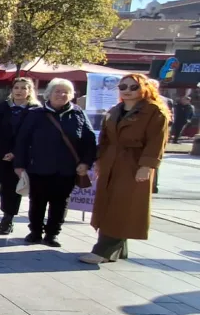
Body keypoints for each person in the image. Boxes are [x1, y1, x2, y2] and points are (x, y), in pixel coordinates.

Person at [81, 74, 170, 264]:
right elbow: (104, 138)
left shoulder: (154, 111)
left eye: (133, 87)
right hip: (111, 161)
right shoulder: (115, 110)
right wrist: (99, 160)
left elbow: (157, 142)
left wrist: (147, 166)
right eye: (123, 87)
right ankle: (116, 250)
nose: (127, 91)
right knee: (107, 203)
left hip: (133, 163)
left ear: (144, 88)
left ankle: (103, 250)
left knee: (123, 205)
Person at [13, 78, 96, 248]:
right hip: (39, 167)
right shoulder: (36, 114)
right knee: (37, 201)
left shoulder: (78, 114)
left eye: (66, 92)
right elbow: (22, 140)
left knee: (60, 203)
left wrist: (86, 163)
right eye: (57, 91)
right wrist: (19, 165)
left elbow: (89, 141)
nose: (61, 95)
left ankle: (52, 234)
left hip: (66, 169)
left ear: (72, 96)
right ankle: (35, 231)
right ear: (49, 94)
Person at [0, 78, 40, 234]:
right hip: (2, 155)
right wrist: (2, 151)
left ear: (30, 91)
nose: (19, 91)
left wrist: (15, 153)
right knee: (4, 187)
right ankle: (5, 215)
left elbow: (33, 136)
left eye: (24, 88)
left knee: (14, 188)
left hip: (21, 156)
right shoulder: (4, 107)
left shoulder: (35, 110)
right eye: (16, 87)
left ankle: (9, 219)